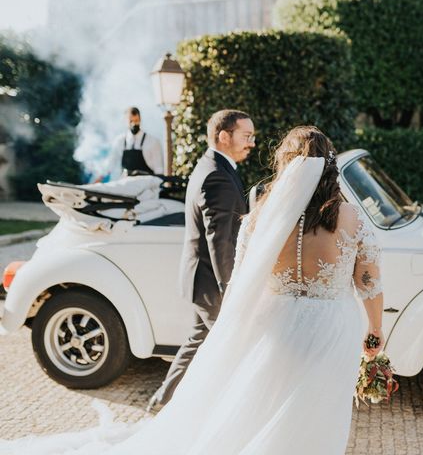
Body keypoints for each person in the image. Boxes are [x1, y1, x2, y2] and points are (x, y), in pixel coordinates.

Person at [0, 126, 384, 455]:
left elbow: (241, 277)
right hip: (332, 328)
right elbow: (369, 282)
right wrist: (375, 331)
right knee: (317, 409)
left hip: (275, 324)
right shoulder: (351, 219)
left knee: (266, 403)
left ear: (286, 166)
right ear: (329, 166)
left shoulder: (260, 218)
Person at [147, 109, 256, 411]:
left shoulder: (211, 166)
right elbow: (220, 241)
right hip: (212, 283)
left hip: (201, 279)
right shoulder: (217, 176)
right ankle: (218, 411)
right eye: (247, 136)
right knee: (233, 346)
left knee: (197, 342)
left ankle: (163, 403)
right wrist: (231, 289)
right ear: (224, 136)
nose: (252, 143)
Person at [105, 107, 164, 180]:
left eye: (136, 121)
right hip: (125, 184)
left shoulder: (153, 142)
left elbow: (159, 170)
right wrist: (100, 178)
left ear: (140, 120)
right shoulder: (119, 141)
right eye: (131, 121)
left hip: (146, 185)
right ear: (125, 121)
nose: (134, 124)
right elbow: (110, 164)